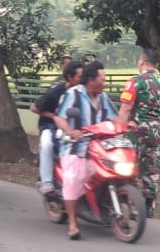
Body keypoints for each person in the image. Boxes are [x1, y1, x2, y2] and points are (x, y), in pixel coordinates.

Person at [50, 61, 118, 240]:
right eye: (102, 79)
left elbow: (115, 118)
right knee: (73, 178)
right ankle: (73, 224)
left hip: (99, 147)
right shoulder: (73, 94)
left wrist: (129, 125)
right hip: (74, 146)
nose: (105, 83)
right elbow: (59, 118)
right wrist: (71, 132)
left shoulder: (103, 97)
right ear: (91, 80)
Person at [113, 48, 160, 217]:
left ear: (141, 62)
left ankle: (128, 201)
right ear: (157, 65)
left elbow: (125, 109)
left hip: (135, 132)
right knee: (151, 169)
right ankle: (149, 203)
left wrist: (118, 135)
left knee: (128, 167)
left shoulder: (134, 82)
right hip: (155, 133)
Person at [29, 60, 83, 194]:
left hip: (71, 126)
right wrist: (54, 117)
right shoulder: (56, 91)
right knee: (47, 144)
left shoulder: (83, 92)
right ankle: (46, 182)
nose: (84, 79)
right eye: (80, 76)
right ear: (70, 78)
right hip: (50, 125)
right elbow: (34, 107)